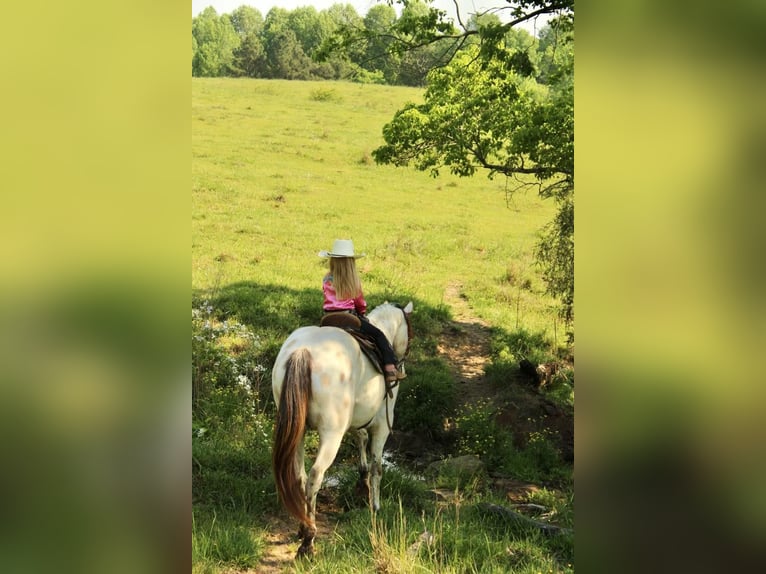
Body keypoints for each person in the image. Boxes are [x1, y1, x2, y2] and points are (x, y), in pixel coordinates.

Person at [318, 239, 400, 384]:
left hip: (328, 318)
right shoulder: (353, 280)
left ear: (332, 261)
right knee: (379, 335)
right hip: (349, 317)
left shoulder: (326, 278)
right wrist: (362, 312)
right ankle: (389, 367)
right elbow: (360, 303)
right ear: (351, 263)